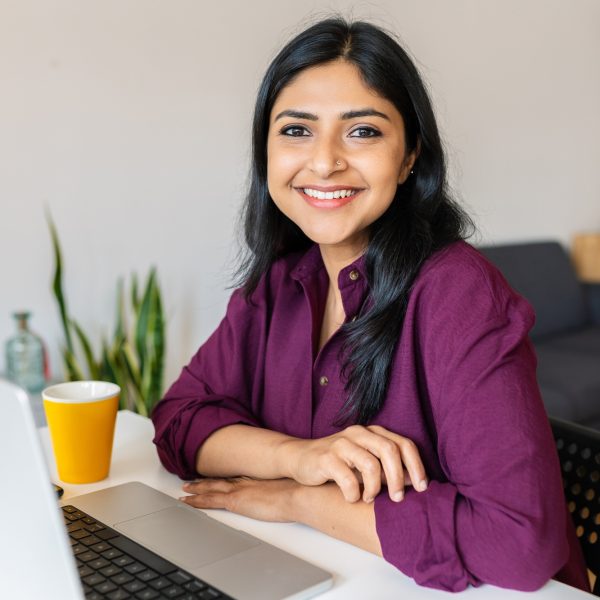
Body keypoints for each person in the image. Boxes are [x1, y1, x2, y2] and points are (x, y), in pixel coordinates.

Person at [151, 17, 589, 593]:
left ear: (409, 158)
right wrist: (299, 458)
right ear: (266, 154)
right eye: (296, 131)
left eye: (362, 132)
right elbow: (178, 421)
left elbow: (516, 545)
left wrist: (299, 501)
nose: (326, 161)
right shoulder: (279, 281)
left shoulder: (458, 292)